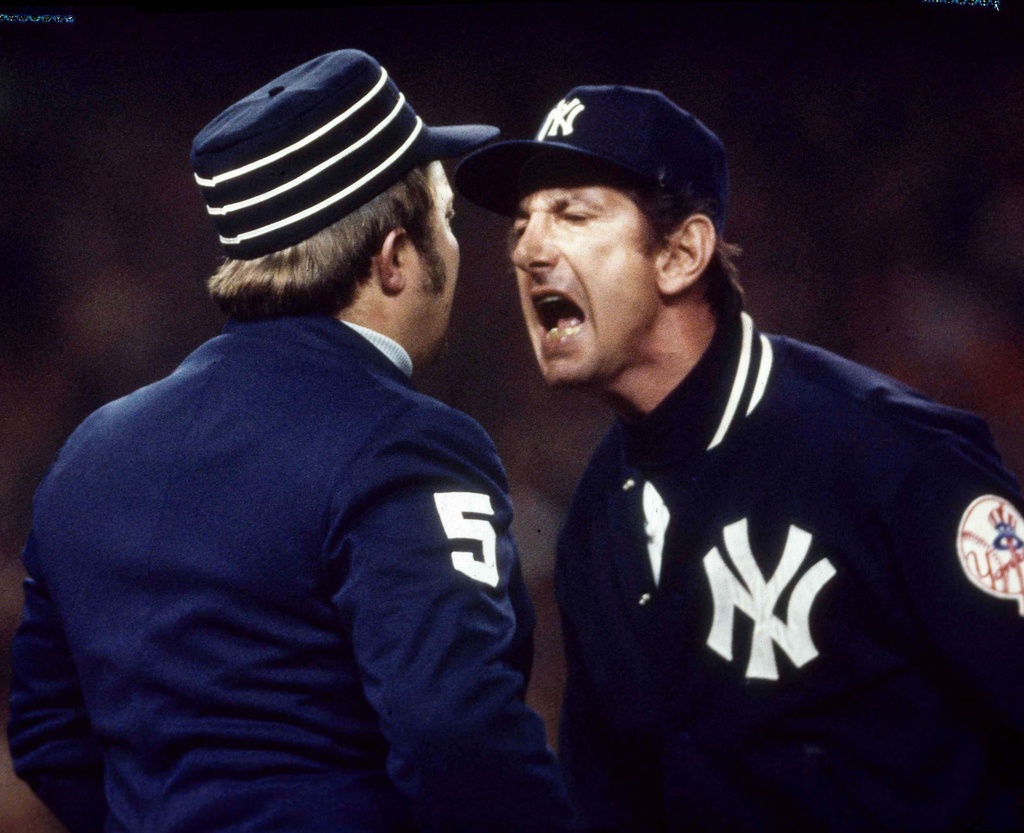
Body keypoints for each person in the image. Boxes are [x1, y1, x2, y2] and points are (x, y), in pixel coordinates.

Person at [7, 50, 574, 833]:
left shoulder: (91, 452)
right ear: (395, 258)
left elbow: (44, 731)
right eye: (444, 218)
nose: (459, 244)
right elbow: (458, 736)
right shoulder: (408, 445)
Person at [454, 84, 1024, 831]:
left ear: (682, 253)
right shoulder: (597, 516)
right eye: (523, 223)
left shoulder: (886, 453)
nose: (527, 247)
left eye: (573, 214)